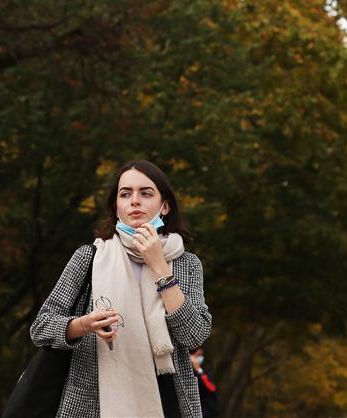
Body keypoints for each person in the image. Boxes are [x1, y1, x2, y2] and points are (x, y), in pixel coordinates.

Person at [30, 160, 212, 418]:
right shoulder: (89, 257)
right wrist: (84, 324)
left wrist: (160, 267)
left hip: (166, 401)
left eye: (146, 193)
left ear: (165, 206)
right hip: (93, 404)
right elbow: (41, 328)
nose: (134, 201)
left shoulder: (187, 264)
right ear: (116, 207)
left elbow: (194, 335)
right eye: (125, 194)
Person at [189, 347, 220, 418]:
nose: (200, 358)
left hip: (207, 411)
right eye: (198, 355)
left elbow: (211, 388)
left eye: (201, 355)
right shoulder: (187, 373)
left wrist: (198, 370)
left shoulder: (204, 372)